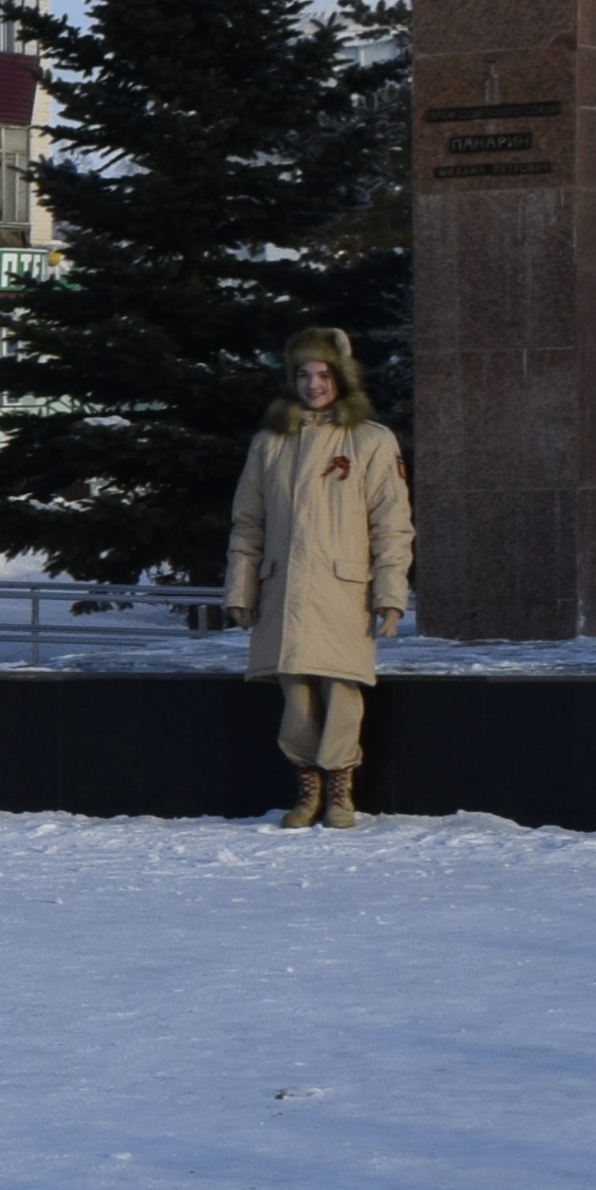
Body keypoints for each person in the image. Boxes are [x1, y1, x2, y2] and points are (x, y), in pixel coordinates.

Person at [226, 326, 413, 827]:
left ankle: (340, 790)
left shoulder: (370, 440)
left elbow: (392, 524)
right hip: (283, 590)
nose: (314, 384)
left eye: (324, 374)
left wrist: (391, 594)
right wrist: (241, 588)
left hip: (343, 590)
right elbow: (249, 522)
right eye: (304, 375)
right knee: (297, 695)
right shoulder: (271, 442)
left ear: (342, 379)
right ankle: (307, 789)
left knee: (341, 690)